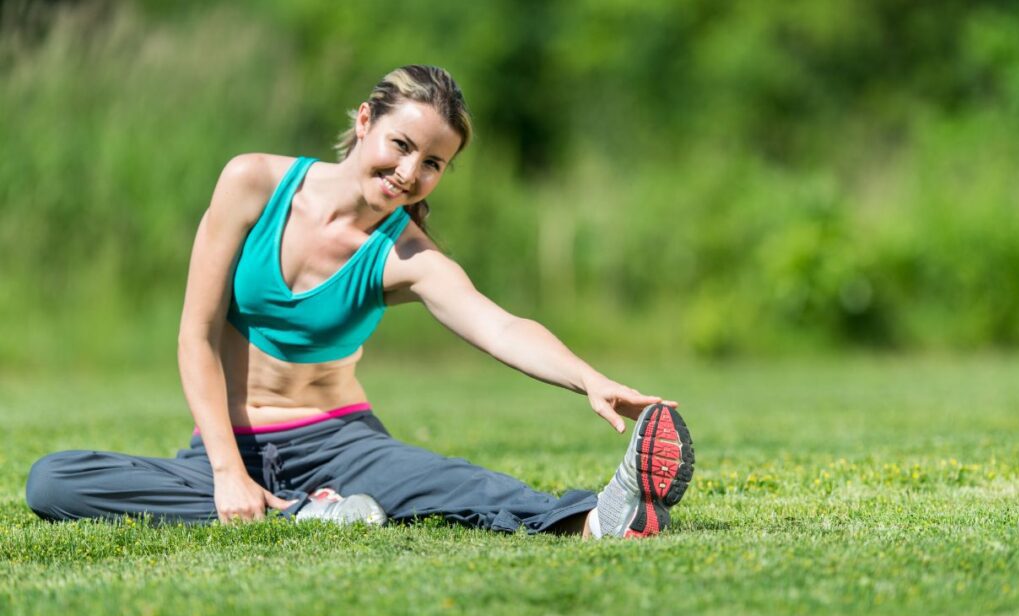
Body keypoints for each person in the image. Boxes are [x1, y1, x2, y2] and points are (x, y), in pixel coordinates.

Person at [24, 65, 694, 538]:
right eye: (401, 145)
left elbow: (498, 326)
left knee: (446, 484)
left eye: (432, 163)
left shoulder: (405, 256)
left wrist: (589, 379)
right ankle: (301, 511)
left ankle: (595, 519)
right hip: (226, 445)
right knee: (54, 482)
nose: (409, 173)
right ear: (365, 121)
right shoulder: (252, 184)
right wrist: (227, 470)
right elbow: (195, 335)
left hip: (339, 444)